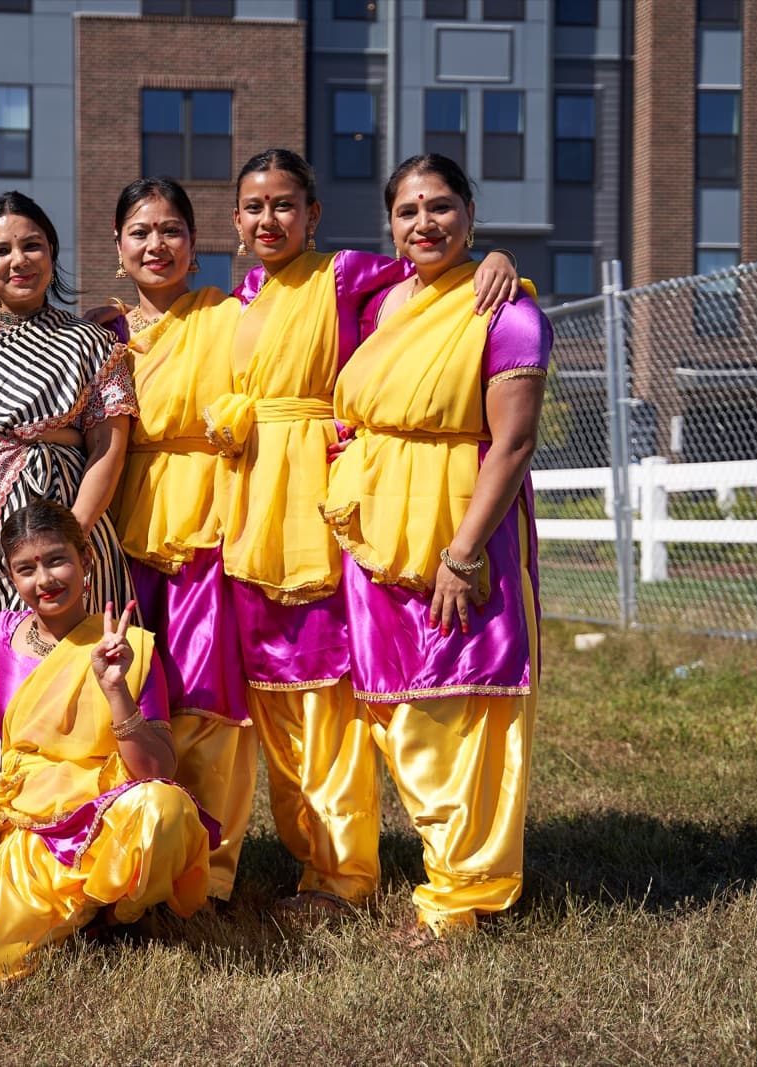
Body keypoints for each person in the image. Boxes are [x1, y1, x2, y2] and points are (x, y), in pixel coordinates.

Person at [213, 148, 519, 917]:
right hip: (252, 507)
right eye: (254, 206)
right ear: (236, 221)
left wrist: (503, 260)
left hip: (326, 504)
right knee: (278, 697)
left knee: (334, 698)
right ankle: (314, 858)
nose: (268, 219)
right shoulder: (241, 296)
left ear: (314, 214)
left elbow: (441, 295)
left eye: (285, 204)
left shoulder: (350, 276)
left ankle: (346, 874)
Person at [321, 153, 549, 941]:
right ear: (390, 223)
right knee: (394, 708)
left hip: (460, 533)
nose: (426, 223)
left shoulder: (506, 313)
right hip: (376, 534)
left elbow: (512, 446)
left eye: (443, 207)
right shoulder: (378, 301)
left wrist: (463, 552)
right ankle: (445, 869)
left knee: (457, 707)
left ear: (472, 214)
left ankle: (463, 897)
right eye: (409, 210)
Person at [0, 501, 215, 986]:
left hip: (109, 818)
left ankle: (117, 912)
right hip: (31, 825)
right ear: (11, 578)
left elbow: (157, 770)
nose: (44, 579)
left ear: (86, 560)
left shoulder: (135, 648)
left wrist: (115, 688)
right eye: (27, 568)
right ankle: (81, 918)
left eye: (56, 560)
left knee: (165, 808)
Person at [0, 191, 139, 771]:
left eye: (32, 245)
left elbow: (109, 446)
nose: (18, 260)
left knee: (66, 664)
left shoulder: (93, 343)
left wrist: (73, 532)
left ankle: (81, 800)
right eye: (1, 250)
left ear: (52, 253)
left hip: (64, 528)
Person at [100, 177, 254, 901]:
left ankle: (208, 871)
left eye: (171, 230)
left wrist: (500, 262)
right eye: (140, 231)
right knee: (130, 686)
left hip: (209, 523)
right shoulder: (101, 333)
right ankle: (134, 854)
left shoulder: (232, 316)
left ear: (197, 244)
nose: (156, 244)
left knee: (207, 696)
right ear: (119, 249)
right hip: (121, 525)